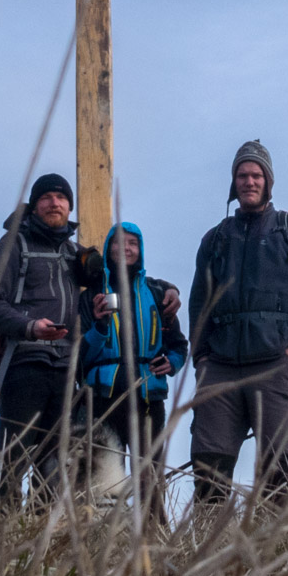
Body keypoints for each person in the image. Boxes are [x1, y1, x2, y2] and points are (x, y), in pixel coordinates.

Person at [187, 141, 288, 508]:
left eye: (256, 175)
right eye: (242, 175)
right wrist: (200, 356)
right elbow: (199, 302)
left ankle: (272, 547)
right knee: (209, 465)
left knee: (277, 467)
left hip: (273, 363)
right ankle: (206, 546)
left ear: (268, 181)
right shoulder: (215, 238)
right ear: (233, 182)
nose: (249, 181)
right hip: (219, 367)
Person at [0, 173, 98, 506]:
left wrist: (167, 289)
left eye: (61, 198)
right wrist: (30, 327)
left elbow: (124, 267)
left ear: (69, 207)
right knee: (15, 457)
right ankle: (4, 536)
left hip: (66, 367)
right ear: (34, 205)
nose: (54, 203)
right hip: (25, 362)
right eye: (46, 197)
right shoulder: (15, 246)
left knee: (54, 464)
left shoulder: (75, 254)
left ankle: (42, 540)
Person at [80, 222, 187, 520]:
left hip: (147, 397)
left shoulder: (157, 293)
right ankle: (106, 544)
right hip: (102, 396)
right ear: (107, 249)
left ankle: (154, 541)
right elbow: (79, 354)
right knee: (104, 476)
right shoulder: (91, 297)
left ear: (140, 250)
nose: (125, 249)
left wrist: (174, 362)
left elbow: (178, 344)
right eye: (117, 243)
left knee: (148, 476)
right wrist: (100, 326)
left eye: (132, 243)